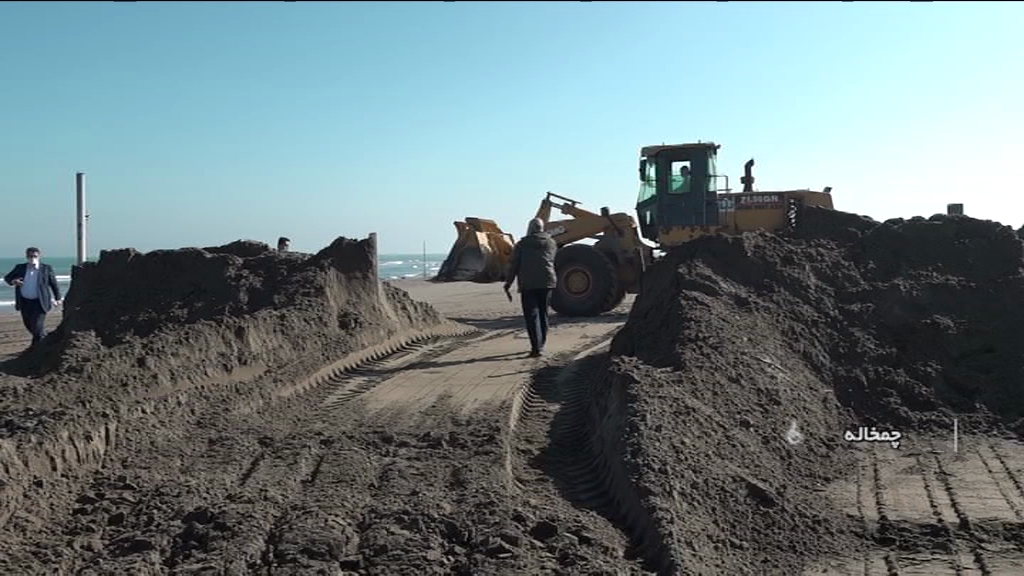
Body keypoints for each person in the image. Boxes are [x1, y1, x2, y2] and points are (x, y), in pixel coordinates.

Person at [504, 218, 557, 357]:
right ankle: (542, 344)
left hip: (528, 284)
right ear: (542, 228)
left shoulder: (522, 244)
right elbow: (551, 259)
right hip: (547, 282)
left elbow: (514, 265)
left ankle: (536, 348)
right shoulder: (551, 243)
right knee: (543, 313)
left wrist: (508, 283)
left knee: (532, 315)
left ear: (530, 228)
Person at [3, 247, 62, 347]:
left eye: (35, 256)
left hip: (40, 302)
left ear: (39, 256)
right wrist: (14, 281)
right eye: (30, 256)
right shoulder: (20, 268)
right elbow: (7, 278)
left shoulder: (46, 268)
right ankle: (43, 340)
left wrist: (58, 298)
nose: (32, 258)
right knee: (28, 325)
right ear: (26, 257)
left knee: (37, 326)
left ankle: (39, 346)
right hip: (25, 302)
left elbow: (53, 283)